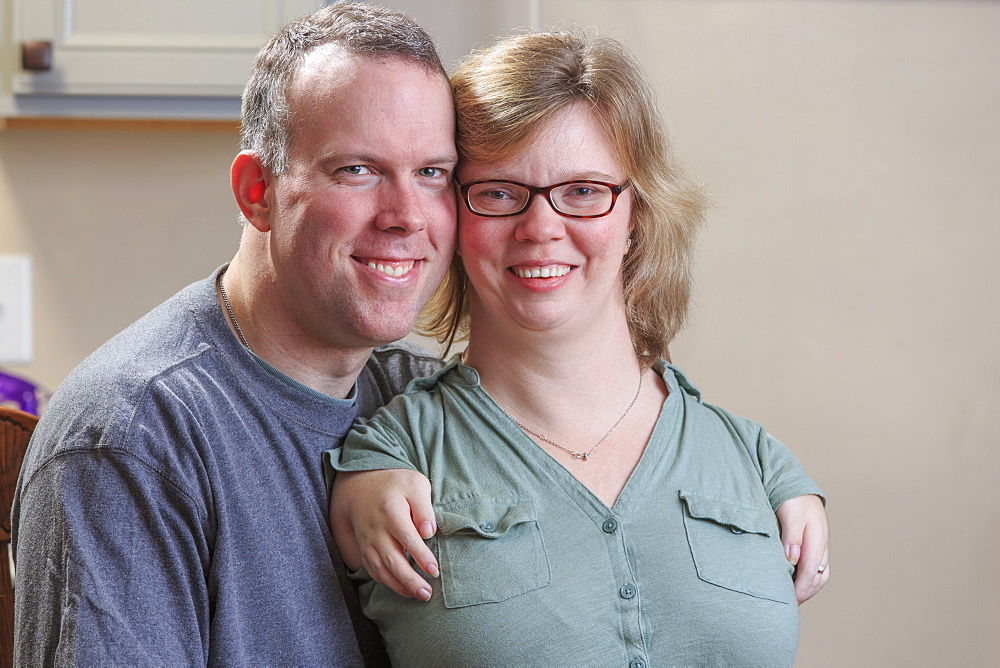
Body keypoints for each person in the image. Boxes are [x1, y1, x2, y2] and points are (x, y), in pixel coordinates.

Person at [329, 27, 829, 665]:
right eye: (499, 193)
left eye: (585, 191)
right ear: (453, 217)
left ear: (637, 214)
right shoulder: (386, 457)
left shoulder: (760, 466)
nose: (541, 228)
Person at [10, 2, 459, 664]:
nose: (407, 216)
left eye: (433, 173)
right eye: (357, 170)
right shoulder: (133, 435)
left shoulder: (420, 402)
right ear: (257, 191)